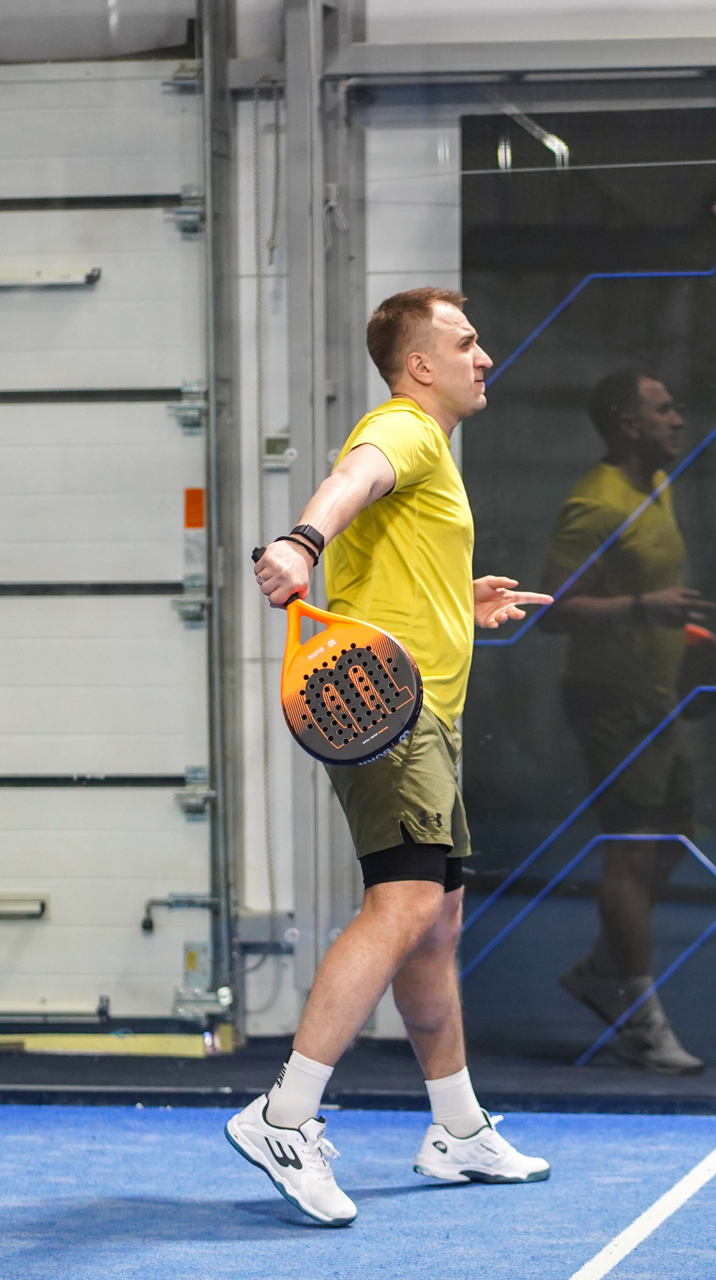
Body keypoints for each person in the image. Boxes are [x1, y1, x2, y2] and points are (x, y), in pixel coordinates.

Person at [230, 287, 554, 1227]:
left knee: (437, 924)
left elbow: (393, 553)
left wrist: (460, 595)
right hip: (387, 710)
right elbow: (356, 479)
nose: (483, 356)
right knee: (405, 904)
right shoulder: (404, 428)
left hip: (429, 715)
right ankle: (284, 1116)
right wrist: (301, 540)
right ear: (420, 364)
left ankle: (456, 1129)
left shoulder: (435, 452)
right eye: (466, 341)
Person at [540, 369, 711, 1076]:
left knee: (676, 839)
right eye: (663, 409)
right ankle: (641, 1022)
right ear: (629, 425)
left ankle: (601, 972)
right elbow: (553, 610)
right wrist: (644, 608)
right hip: (610, 701)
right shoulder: (595, 503)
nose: (678, 419)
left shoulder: (658, 485)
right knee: (631, 855)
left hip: (659, 698)